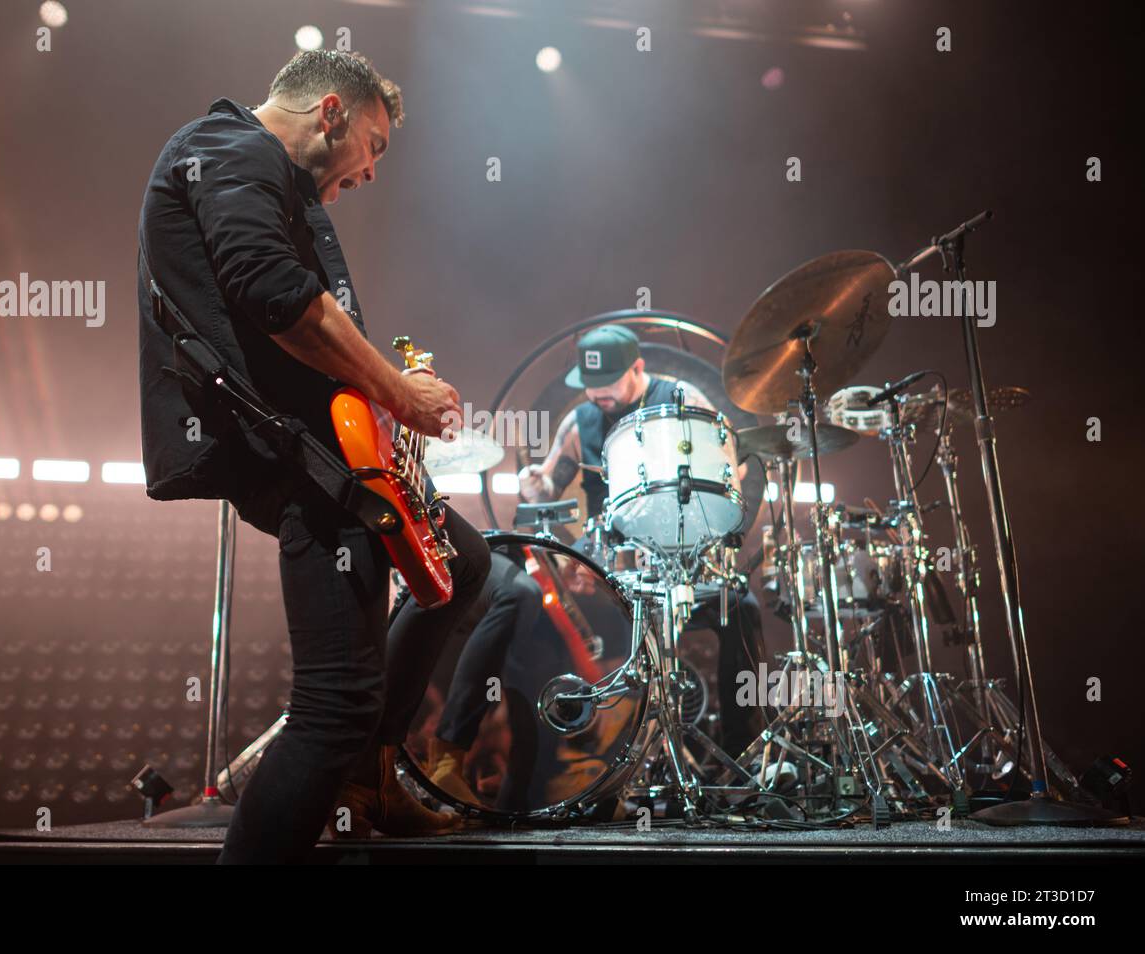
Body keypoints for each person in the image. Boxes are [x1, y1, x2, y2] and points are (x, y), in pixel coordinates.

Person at [137, 49, 491, 863]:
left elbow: (318, 329)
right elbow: (274, 295)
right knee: (334, 702)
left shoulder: (279, 182)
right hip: (298, 458)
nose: (371, 173)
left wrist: (387, 388)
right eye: (374, 145)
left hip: (335, 452)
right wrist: (400, 397)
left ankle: (371, 772)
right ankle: (348, 766)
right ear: (331, 111)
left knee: (463, 567)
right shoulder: (228, 149)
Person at [427, 327, 766, 804]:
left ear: (638, 368)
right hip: (608, 572)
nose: (599, 393)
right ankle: (509, 771)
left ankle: (741, 761)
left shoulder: (680, 396)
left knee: (743, 608)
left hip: (681, 560)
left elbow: (732, 463)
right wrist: (534, 483)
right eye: (591, 383)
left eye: (610, 380)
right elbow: (547, 484)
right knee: (523, 609)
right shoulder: (582, 420)